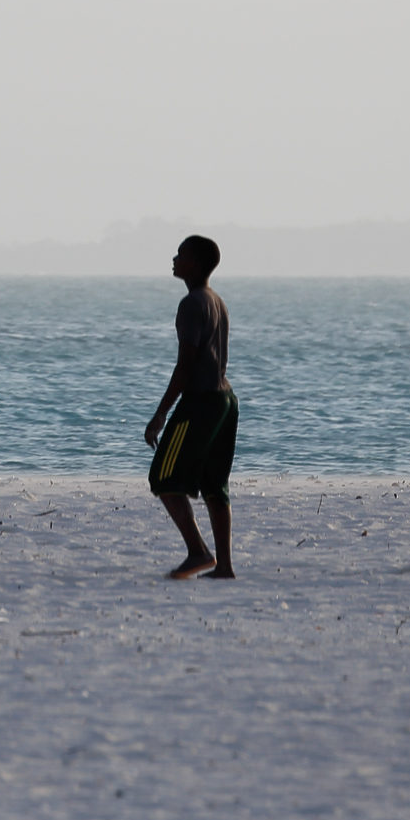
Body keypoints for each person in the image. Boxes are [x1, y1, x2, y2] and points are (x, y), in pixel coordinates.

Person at [143, 234, 238, 580]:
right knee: (215, 484)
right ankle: (224, 565)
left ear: (194, 264)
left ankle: (199, 552)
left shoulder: (192, 304)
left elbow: (186, 364)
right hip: (226, 400)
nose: (174, 259)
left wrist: (161, 413)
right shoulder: (217, 300)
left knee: (164, 477)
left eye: (180, 255)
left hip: (201, 402)